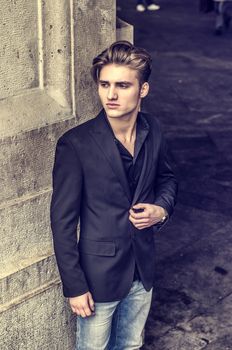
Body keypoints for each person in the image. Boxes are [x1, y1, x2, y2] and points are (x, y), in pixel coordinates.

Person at [50, 40, 178, 350]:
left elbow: (168, 178)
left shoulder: (154, 129)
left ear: (143, 90)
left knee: (131, 345)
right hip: (98, 277)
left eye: (122, 85)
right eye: (104, 84)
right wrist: (74, 286)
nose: (111, 94)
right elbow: (62, 222)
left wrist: (160, 210)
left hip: (142, 268)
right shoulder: (75, 145)